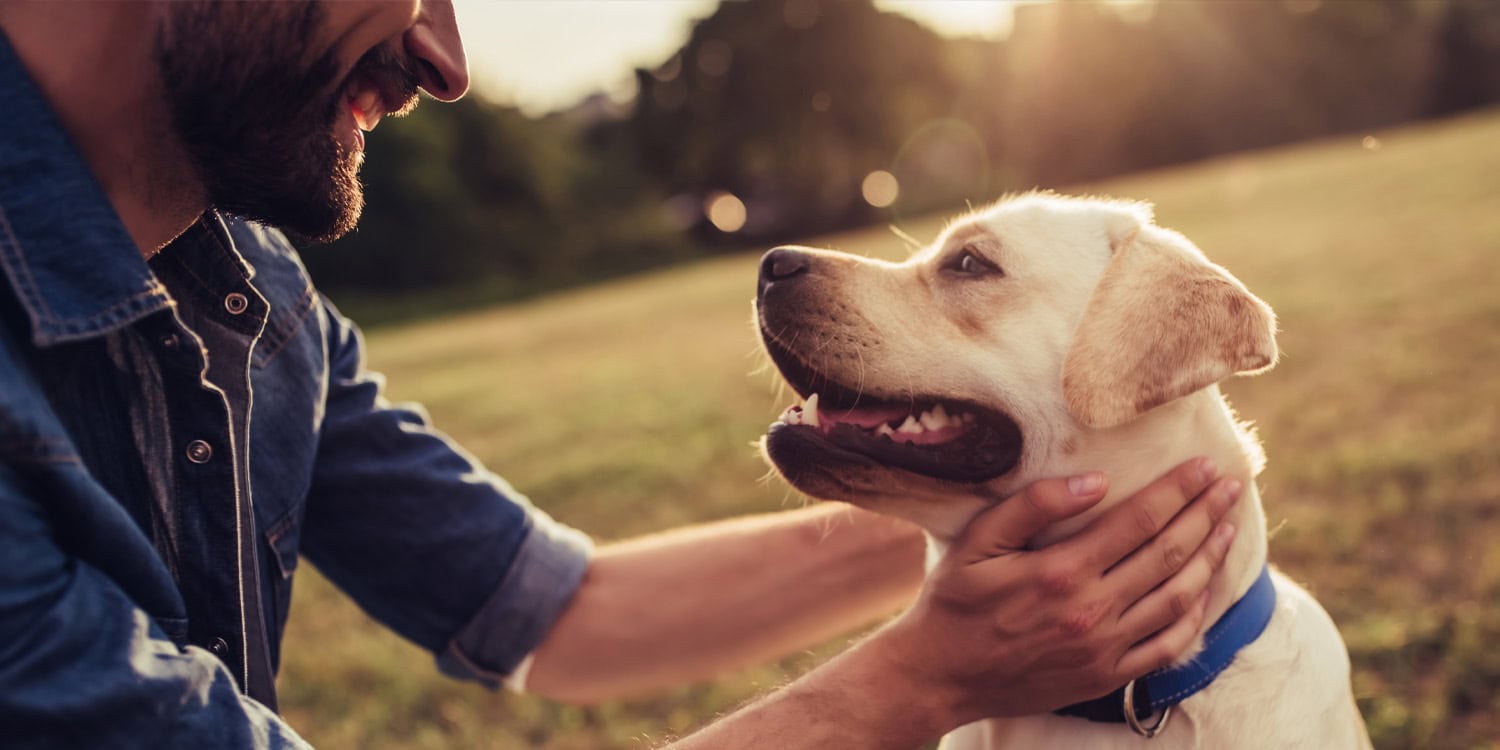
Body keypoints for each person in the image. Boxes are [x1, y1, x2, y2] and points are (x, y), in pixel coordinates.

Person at [0, 2, 1243, 748]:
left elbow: (565, 612)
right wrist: (920, 679)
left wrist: (1051, 517)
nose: (445, 58)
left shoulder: (253, 296)